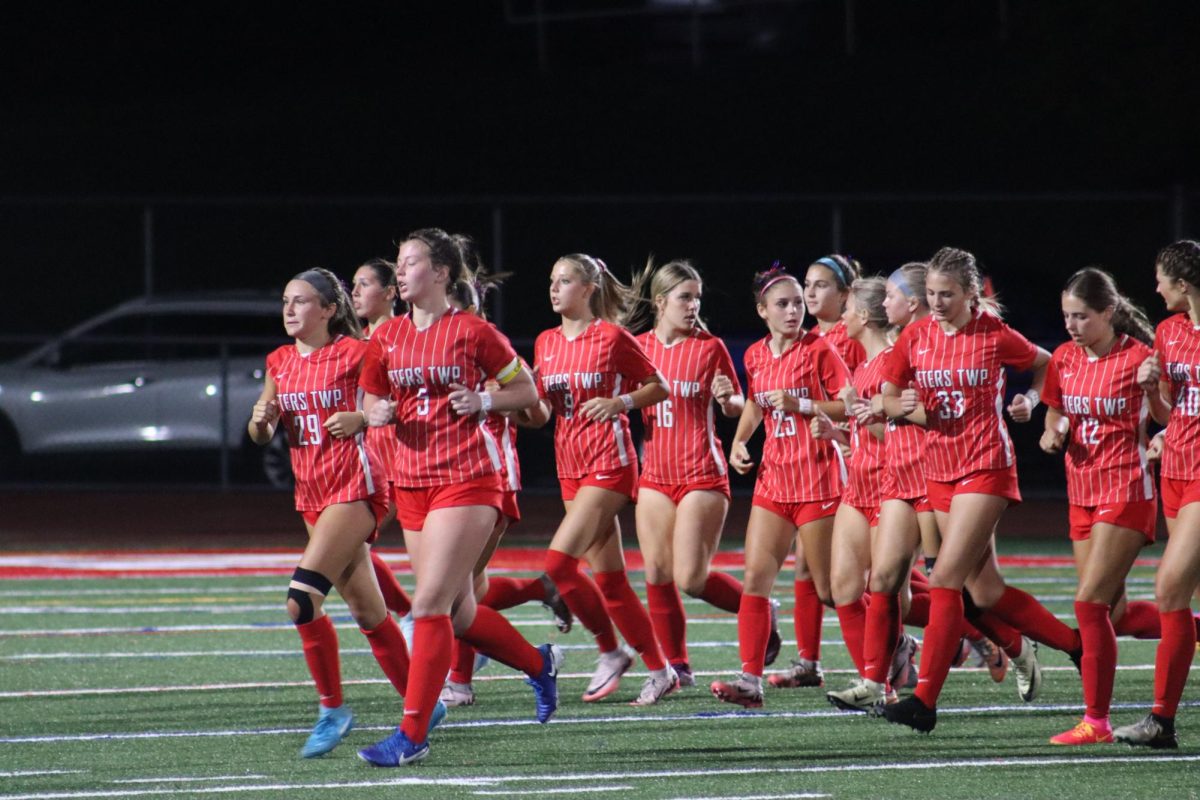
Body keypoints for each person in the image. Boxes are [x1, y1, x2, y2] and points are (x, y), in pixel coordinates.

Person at [356, 228, 562, 767]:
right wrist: (373, 410)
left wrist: (487, 398)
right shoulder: (387, 337)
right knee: (462, 612)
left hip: (468, 478)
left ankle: (412, 733)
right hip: (413, 483)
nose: (400, 273)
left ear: (443, 273)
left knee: (428, 606)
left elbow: (530, 393)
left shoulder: (473, 331)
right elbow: (370, 393)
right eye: (398, 264)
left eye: (411, 263)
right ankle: (539, 666)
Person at [879, 246, 1082, 733]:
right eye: (930, 294)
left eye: (947, 294)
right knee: (983, 591)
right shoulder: (916, 335)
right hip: (939, 467)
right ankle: (1077, 645)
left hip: (986, 466)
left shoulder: (992, 334)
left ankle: (924, 701)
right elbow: (887, 395)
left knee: (945, 579)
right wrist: (902, 404)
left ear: (972, 294)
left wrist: (1031, 401)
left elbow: (1046, 363)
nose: (938, 302)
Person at [248, 267, 420, 759]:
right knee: (369, 611)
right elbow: (261, 430)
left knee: (301, 601)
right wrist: (261, 422)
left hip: (357, 489)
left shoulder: (355, 352)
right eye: (285, 300)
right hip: (311, 496)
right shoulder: (279, 361)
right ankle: (421, 702)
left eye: (301, 301)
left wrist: (363, 416)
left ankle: (333, 709)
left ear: (327, 310)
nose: (289, 309)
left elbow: (396, 406)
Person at [524, 252, 676, 707]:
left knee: (557, 565)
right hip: (569, 466)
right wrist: (516, 404)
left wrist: (621, 403)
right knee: (610, 581)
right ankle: (661, 670)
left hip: (609, 463)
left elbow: (659, 386)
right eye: (552, 280)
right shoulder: (546, 341)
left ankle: (610, 651)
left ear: (589, 288)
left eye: (565, 280)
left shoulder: (611, 337)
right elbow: (543, 412)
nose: (554, 288)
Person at [439, 236, 572, 709]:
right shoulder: (409, 338)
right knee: (462, 592)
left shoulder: (481, 341)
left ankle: (461, 679)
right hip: (435, 480)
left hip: (485, 477)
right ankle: (539, 597)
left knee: (452, 593)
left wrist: (493, 397)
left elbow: (536, 412)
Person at [710, 263, 850, 708]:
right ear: (762, 311)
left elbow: (851, 405)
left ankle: (883, 668)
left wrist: (804, 404)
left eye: (797, 303)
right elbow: (755, 401)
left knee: (831, 589)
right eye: (783, 304)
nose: (794, 311)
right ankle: (749, 682)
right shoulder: (754, 354)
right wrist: (738, 442)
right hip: (775, 482)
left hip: (819, 479)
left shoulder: (820, 349)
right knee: (756, 579)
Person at [630, 257, 774, 689]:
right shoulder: (638, 346)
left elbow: (737, 405)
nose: (693, 305)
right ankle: (677, 666)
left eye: (696, 297)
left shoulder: (709, 347)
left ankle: (761, 611)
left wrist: (728, 400)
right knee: (656, 572)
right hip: (655, 471)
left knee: (690, 578)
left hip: (701, 473)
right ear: (661, 302)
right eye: (684, 297)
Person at [1038, 267, 1161, 745]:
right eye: (1067, 315)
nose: (1071, 325)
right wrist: (1053, 431)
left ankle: (1097, 721)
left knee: (1089, 605)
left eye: (1081, 316)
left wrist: (1153, 390)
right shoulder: (1065, 358)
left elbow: (1172, 415)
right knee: (1115, 615)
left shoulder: (1140, 357)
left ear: (1108, 313)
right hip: (1081, 493)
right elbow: (1055, 409)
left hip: (1126, 491)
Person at [1114, 240, 1200, 749]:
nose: (1157, 288)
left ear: (1183, 284)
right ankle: (1162, 722)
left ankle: (1161, 721)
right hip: (1176, 470)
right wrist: (1152, 396)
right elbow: (1172, 411)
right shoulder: (1168, 332)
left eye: (1162, 279)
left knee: (1168, 589)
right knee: (1179, 594)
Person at [811, 276, 893, 697]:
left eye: (847, 309)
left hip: (890, 487)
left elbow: (903, 438)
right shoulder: (862, 366)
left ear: (863, 315)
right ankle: (875, 683)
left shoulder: (895, 363)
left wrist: (865, 416)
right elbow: (866, 433)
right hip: (857, 485)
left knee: (888, 590)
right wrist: (838, 433)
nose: (841, 317)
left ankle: (977, 628)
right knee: (842, 587)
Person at [351, 258, 415, 623]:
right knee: (351, 547)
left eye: (365, 284)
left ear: (390, 292)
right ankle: (410, 615)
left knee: (351, 545)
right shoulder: (358, 340)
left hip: (397, 458)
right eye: (353, 285)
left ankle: (411, 617)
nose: (355, 292)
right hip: (367, 457)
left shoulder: (401, 336)